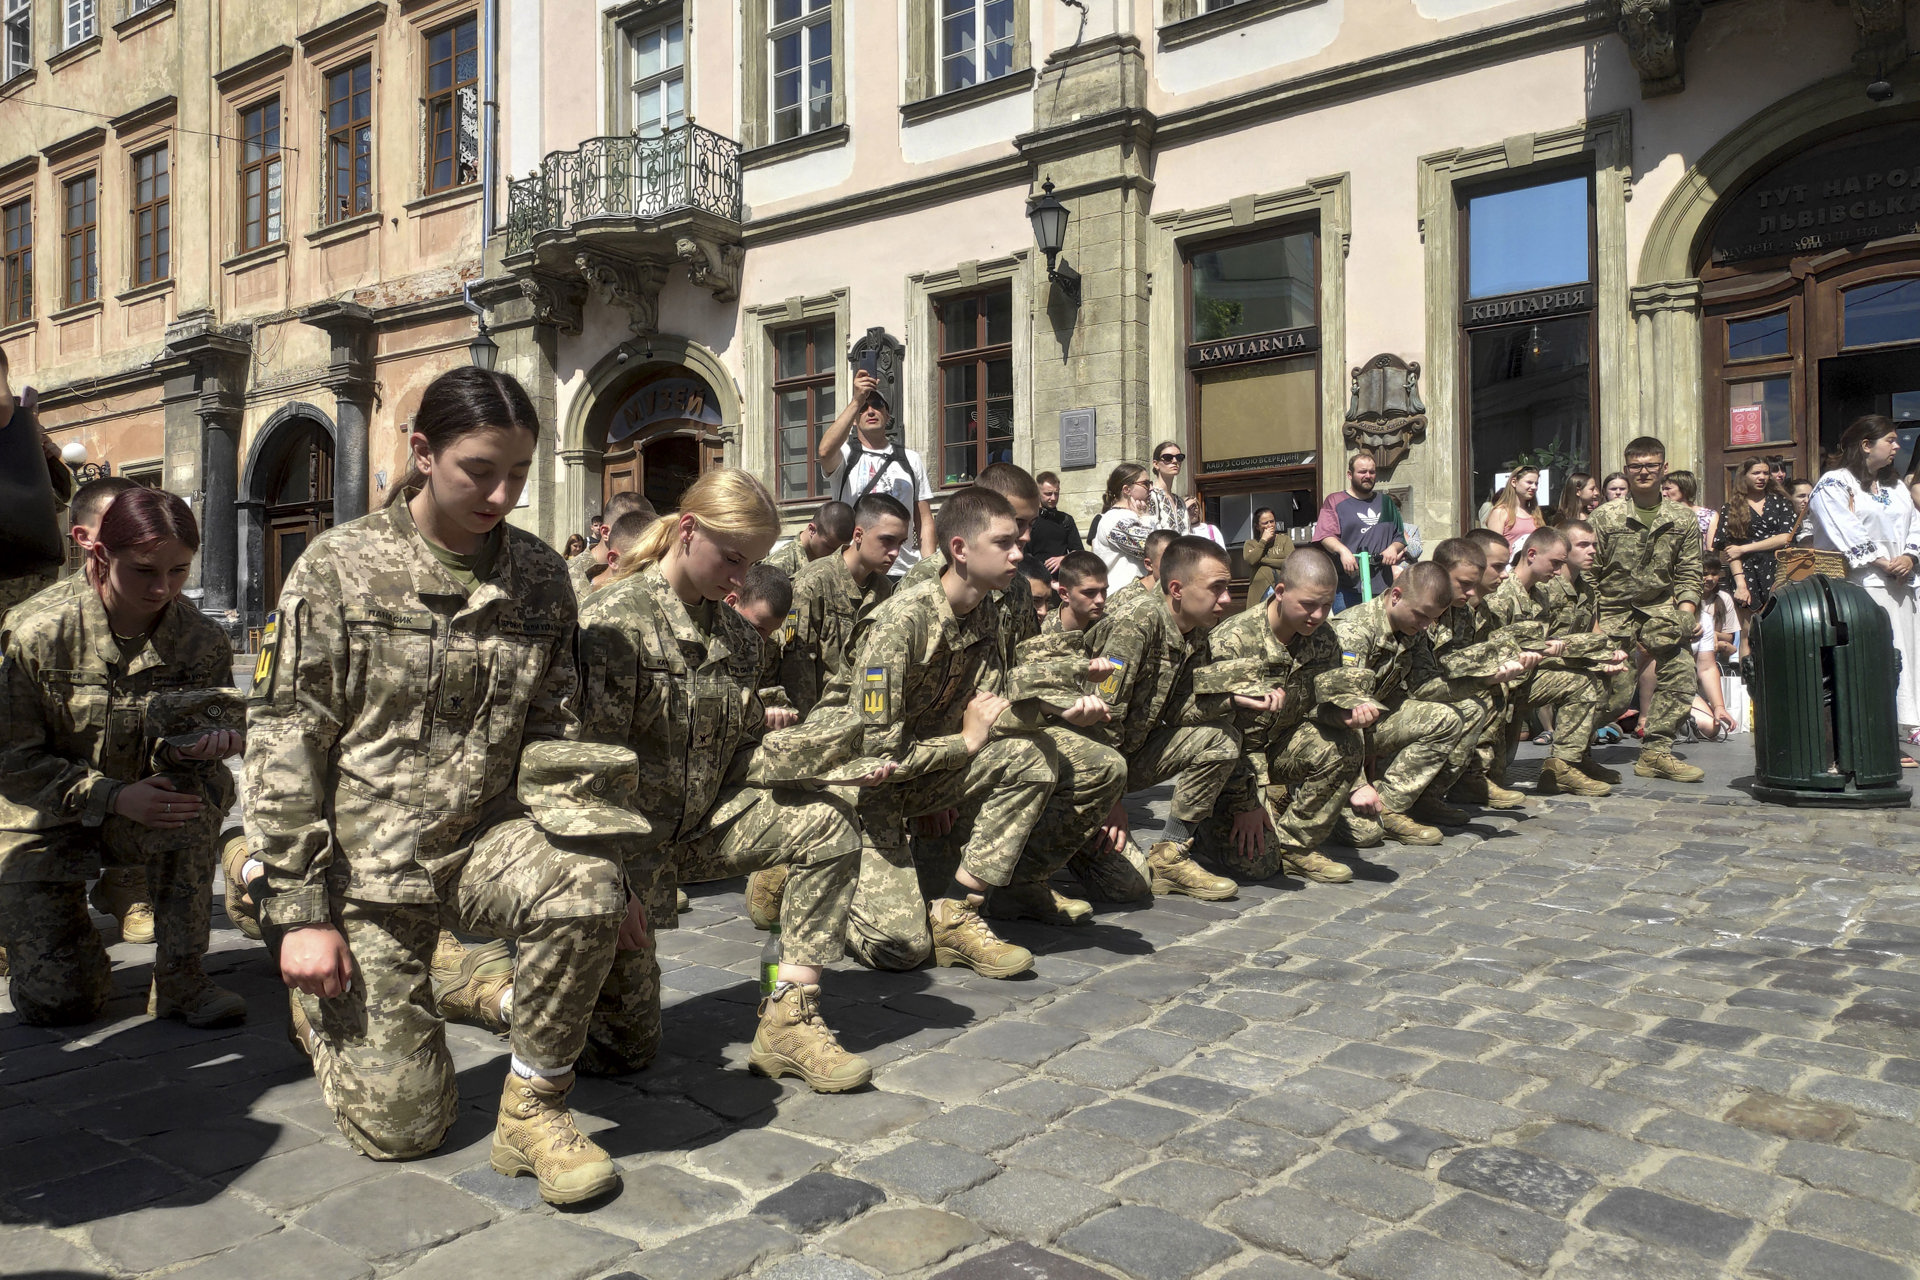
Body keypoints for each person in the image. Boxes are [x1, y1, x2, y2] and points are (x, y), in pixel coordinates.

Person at [241, 368, 628, 1201]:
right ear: (422, 453)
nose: (501, 493)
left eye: (519, 474)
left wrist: (603, 862)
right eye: (479, 469)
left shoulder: (538, 577)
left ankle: (534, 1108)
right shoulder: (338, 570)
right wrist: (303, 915)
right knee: (407, 1128)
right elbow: (283, 741)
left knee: (589, 885)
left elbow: (558, 735)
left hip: (482, 846)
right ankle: (319, 1000)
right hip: (365, 874)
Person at [574, 467, 890, 1092]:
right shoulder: (615, 622)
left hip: (702, 825)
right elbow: (586, 772)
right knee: (622, 1052)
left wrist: (835, 764)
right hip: (625, 849)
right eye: (733, 559)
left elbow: (743, 751)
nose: (742, 579)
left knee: (829, 822)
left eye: (753, 564)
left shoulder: (739, 640)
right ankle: (489, 985)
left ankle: (789, 1017)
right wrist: (611, 881)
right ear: (687, 531)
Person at [832, 486, 1121, 974]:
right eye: (1004, 543)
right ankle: (801, 880)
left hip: (926, 771)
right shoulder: (900, 625)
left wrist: (1054, 710)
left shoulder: (988, 610)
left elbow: (989, 712)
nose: (1019, 553)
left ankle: (958, 911)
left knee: (1031, 753)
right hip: (867, 792)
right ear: (961, 550)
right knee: (900, 949)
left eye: (1019, 543)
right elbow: (873, 756)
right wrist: (962, 744)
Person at [1, 486, 244, 1029]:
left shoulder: (200, 640)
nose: (163, 588)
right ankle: (57, 937)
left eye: (179, 571)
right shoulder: (37, 632)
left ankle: (181, 975)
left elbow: (205, 725)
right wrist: (112, 796)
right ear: (100, 556)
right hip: (44, 822)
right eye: (144, 571)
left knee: (196, 798)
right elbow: (12, 761)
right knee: (59, 1004)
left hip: (145, 810)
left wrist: (204, 746)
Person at [1, 475, 152, 946]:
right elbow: (16, 760)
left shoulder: (178, 620)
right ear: (85, 539)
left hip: (127, 800)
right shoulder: (37, 624)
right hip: (45, 808)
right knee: (59, 994)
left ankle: (129, 880)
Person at [1081, 536, 1249, 902]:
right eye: (1216, 588)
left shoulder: (1198, 632)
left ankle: (1172, 853)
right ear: (1176, 589)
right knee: (1130, 887)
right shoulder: (1138, 622)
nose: (1226, 599)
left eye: (1228, 588)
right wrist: (1109, 800)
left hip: (1132, 754)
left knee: (1221, 738)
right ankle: (1071, 844)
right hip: (1085, 768)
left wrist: (1232, 699)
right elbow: (1098, 718)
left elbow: (1180, 711)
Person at [1197, 548, 1379, 885]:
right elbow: (1215, 732)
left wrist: (1345, 718)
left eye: (1327, 605)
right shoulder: (1232, 640)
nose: (1318, 615)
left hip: (1280, 746)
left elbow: (1323, 706)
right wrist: (1246, 803)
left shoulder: (1325, 639)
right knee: (1258, 865)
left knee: (1347, 745)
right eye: (1309, 605)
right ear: (1280, 592)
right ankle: (1204, 829)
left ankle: (1297, 845)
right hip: (1232, 761)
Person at [1329, 562, 1502, 845]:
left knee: (1469, 709)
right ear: (1395, 595)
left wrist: (1485, 680)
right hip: (1340, 731)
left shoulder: (1413, 628)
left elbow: (1426, 686)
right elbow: (1344, 714)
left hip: (1375, 721)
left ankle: (1407, 802)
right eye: (1421, 616)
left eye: (1431, 620)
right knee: (1363, 836)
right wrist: (1358, 785)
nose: (1424, 626)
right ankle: (1368, 805)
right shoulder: (1355, 632)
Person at [1591, 435, 1707, 782]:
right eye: (1636, 466)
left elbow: (1690, 571)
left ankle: (1657, 752)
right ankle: (1572, 751)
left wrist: (1686, 614)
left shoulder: (1681, 518)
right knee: (1614, 691)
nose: (1644, 472)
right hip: (1613, 611)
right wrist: (1594, 622)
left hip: (1659, 609)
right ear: (1626, 470)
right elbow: (1589, 573)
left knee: (1682, 672)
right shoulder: (1605, 516)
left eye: (1651, 466)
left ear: (1664, 469)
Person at [1485, 526, 1628, 797]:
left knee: (1584, 682)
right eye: (1555, 562)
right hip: (1499, 682)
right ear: (1531, 554)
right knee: (1496, 771)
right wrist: (1593, 649)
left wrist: (1599, 653)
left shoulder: (1538, 595)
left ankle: (1563, 765)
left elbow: (1547, 644)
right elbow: (1516, 647)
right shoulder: (1502, 594)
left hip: (1526, 677)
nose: (1557, 569)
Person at [1808, 415, 1920, 747]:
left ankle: (1908, 721)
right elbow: (1841, 526)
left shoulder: (1895, 486)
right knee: (1875, 651)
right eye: (1890, 440)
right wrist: (1882, 561)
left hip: (1902, 582)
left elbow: (1915, 522)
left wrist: (1910, 556)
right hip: (1862, 583)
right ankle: (1873, 728)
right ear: (1866, 445)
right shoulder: (1835, 482)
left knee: (1907, 652)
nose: (1898, 446)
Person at [776, 492, 909, 718]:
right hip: (819, 720)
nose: (895, 552)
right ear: (858, 535)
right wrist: (807, 730)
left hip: (864, 719)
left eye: (901, 543)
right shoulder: (814, 581)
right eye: (887, 540)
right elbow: (796, 668)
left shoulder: (885, 591)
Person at [815, 368, 937, 578]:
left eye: (878, 405)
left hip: (902, 571)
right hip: (855, 569)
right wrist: (856, 401)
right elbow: (824, 451)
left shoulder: (910, 459)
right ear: (854, 418)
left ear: (887, 415)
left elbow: (924, 519)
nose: (871, 411)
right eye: (864, 407)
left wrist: (929, 567)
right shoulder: (845, 455)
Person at [1314, 452, 1407, 611]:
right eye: (1362, 472)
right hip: (1348, 587)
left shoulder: (1385, 502)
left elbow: (1399, 537)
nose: (1368, 476)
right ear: (1350, 474)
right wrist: (1343, 551)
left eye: (1372, 472)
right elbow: (1325, 535)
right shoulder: (1335, 501)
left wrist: (1393, 548)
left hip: (1383, 586)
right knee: (1348, 631)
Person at [1716, 456, 1799, 619]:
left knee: (1782, 625)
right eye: (1756, 473)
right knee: (1749, 631)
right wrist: (1740, 585)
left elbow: (1786, 537)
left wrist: (1744, 548)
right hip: (1747, 574)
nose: (1762, 477)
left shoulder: (1781, 503)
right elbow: (1731, 551)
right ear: (1744, 476)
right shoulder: (1731, 508)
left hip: (1780, 570)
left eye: (1766, 473)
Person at [1681, 554, 1740, 742]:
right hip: (1650, 684)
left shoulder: (1706, 617)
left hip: (1682, 685)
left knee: (1710, 727)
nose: (1708, 579)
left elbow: (1706, 667)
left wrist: (1719, 707)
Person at [570, 491, 656, 598]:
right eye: (633, 528)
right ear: (605, 532)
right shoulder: (567, 576)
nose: (645, 540)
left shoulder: (652, 572)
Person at [1090, 462, 1156, 592]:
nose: (1151, 488)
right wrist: (1147, 518)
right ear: (1126, 490)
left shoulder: (1134, 516)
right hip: (1121, 600)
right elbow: (1154, 548)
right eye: (1146, 484)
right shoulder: (1114, 519)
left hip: (1139, 597)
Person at [765, 500, 853, 579]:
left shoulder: (840, 565)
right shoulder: (777, 567)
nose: (834, 554)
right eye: (829, 547)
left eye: (840, 550)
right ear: (812, 530)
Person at [1029, 471, 1085, 578]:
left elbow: (1079, 553)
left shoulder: (1066, 520)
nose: (1053, 498)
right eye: (1048, 494)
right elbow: (1024, 556)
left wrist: (1064, 559)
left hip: (1062, 581)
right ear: (1038, 493)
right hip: (1036, 580)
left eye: (1056, 493)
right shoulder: (1030, 519)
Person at [1242, 506, 1294, 606]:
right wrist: (1263, 541)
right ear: (1257, 526)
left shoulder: (1285, 540)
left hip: (1282, 589)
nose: (1270, 525)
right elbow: (1251, 560)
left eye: (1272, 521)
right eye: (1265, 523)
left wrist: (1262, 560)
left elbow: (1289, 563)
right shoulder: (1250, 544)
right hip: (1260, 592)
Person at [1485, 467, 1543, 550]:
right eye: (1529, 482)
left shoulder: (1534, 513)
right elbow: (1494, 547)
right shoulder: (1500, 512)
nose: (1534, 487)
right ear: (1514, 482)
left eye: (1536, 483)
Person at [1661, 471, 1718, 546]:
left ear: (1684, 489)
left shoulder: (1708, 516)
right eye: (1663, 489)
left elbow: (1711, 551)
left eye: (1668, 489)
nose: (1664, 493)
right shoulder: (1661, 515)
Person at [1147, 441, 1190, 534]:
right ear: (1156, 464)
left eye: (1179, 457)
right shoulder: (1150, 496)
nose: (1175, 461)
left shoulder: (1180, 501)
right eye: (1168, 458)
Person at [1790, 478, 1816, 544]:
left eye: (1810, 496)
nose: (1807, 500)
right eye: (1801, 496)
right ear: (1790, 497)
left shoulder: (1817, 519)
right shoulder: (1785, 522)